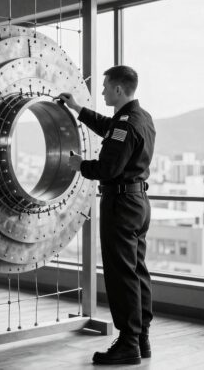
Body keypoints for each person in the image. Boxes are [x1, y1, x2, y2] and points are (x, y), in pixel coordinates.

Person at [58, 65, 155, 365]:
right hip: (138, 203)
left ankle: (127, 344)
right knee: (137, 272)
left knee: (121, 275)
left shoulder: (125, 123)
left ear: (118, 89)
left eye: (105, 87)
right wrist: (78, 109)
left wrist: (81, 166)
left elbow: (108, 168)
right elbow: (109, 129)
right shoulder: (141, 118)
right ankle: (140, 339)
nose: (101, 92)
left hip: (121, 206)